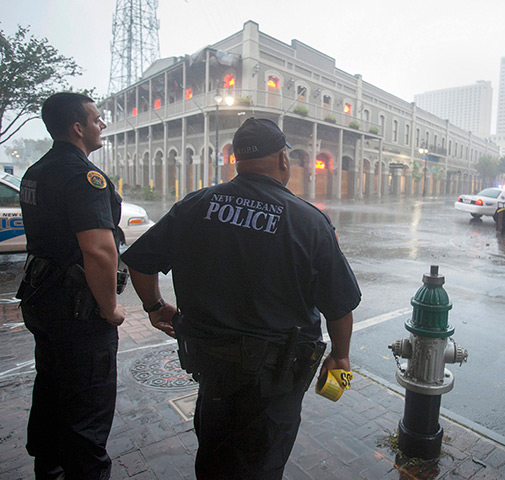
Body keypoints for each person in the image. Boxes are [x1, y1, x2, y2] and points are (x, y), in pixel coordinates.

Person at [121, 117, 361, 479]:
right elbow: (339, 307)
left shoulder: (195, 205)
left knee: (214, 453)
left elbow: (140, 262)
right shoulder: (309, 222)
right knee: (262, 461)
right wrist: (340, 356)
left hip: (211, 368)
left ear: (236, 159)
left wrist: (155, 307)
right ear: (283, 160)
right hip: (275, 379)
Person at [16, 92, 126, 480]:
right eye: (97, 120)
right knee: (86, 409)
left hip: (42, 300)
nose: (102, 125)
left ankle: (48, 467)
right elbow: (98, 250)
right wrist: (110, 308)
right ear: (78, 128)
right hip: (78, 312)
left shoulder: (36, 171)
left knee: (50, 388)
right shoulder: (84, 176)